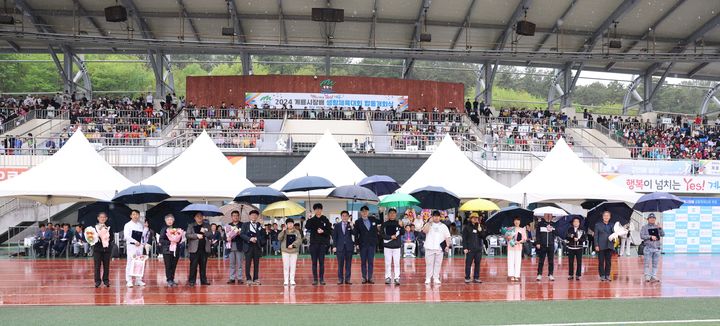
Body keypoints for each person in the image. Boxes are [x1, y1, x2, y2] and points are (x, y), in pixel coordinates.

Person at [305, 203, 332, 285]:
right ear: (314, 210)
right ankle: (315, 279)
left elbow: (329, 231)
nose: (318, 210)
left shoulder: (325, 219)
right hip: (313, 244)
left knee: (322, 262)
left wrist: (323, 231)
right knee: (314, 262)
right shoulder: (312, 219)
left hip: (322, 244)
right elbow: (307, 227)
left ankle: (322, 279)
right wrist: (309, 218)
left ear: (321, 210)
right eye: (316, 209)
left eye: (319, 209)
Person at [422, 210, 451, 285]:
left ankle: (436, 277)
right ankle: (428, 278)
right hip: (429, 247)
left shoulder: (443, 226)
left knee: (438, 263)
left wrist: (447, 246)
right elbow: (424, 231)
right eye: (434, 216)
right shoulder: (428, 224)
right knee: (429, 263)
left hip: (439, 248)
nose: (436, 218)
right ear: (432, 217)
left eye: (438, 216)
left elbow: (447, 236)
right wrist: (429, 222)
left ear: (440, 217)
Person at [353, 205, 380, 284]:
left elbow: (381, 221)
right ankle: (364, 277)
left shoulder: (373, 219)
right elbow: (356, 234)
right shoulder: (358, 222)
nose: (364, 212)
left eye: (366, 211)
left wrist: (381, 212)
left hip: (372, 244)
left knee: (371, 261)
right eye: (363, 211)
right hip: (362, 244)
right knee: (363, 261)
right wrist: (356, 244)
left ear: (368, 212)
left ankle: (370, 277)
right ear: (361, 213)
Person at [186, 212, 212, 286]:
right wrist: (196, 235)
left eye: (201, 216)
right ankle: (192, 281)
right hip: (194, 249)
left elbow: (210, 235)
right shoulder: (191, 225)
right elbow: (187, 235)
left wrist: (205, 232)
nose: (199, 217)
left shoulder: (207, 225)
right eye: (197, 216)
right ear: (195, 218)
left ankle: (203, 280)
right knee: (193, 266)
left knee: (203, 266)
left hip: (204, 249)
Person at [241, 210, 266, 285]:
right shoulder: (245, 224)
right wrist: (250, 239)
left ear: (257, 217)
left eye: (255, 215)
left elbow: (263, 235)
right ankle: (248, 278)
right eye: (252, 215)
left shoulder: (259, 225)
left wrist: (262, 226)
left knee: (256, 263)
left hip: (256, 246)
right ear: (249, 216)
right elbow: (242, 234)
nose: (254, 216)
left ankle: (256, 278)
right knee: (248, 263)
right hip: (248, 246)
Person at [640, 213, 665, 283]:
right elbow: (642, 236)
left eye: (653, 218)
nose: (652, 219)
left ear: (655, 219)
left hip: (657, 248)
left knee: (655, 263)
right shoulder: (644, 227)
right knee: (646, 263)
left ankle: (653, 276)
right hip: (648, 248)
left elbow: (663, 234)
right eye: (650, 218)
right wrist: (650, 237)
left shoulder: (657, 227)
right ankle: (647, 276)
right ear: (648, 219)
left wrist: (660, 228)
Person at [462, 213, 486, 283]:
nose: (475, 219)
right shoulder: (466, 227)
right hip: (470, 249)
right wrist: (465, 248)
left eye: (476, 218)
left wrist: (480, 230)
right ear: (470, 218)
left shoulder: (480, 226)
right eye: (473, 217)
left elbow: (483, 237)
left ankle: (476, 277)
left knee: (477, 263)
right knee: (468, 264)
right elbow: (464, 238)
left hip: (478, 249)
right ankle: (467, 277)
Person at [124, 210, 145, 288]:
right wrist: (134, 241)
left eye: (137, 214)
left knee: (139, 263)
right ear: (131, 216)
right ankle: (129, 280)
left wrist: (142, 243)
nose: (135, 216)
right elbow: (127, 236)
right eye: (134, 214)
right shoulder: (127, 225)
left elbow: (142, 235)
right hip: (131, 246)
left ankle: (138, 280)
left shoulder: (140, 225)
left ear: (139, 216)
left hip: (139, 246)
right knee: (130, 262)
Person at [158, 214, 181, 287]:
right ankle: (169, 280)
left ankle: (172, 279)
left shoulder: (176, 229)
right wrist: (170, 242)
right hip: (167, 250)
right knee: (168, 265)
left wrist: (177, 240)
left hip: (175, 250)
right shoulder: (164, 229)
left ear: (173, 221)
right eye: (168, 220)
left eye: (171, 219)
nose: (170, 221)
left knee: (174, 265)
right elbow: (161, 240)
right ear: (165, 221)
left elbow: (179, 239)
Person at [332, 211, 354, 285]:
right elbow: (334, 237)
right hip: (340, 247)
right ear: (341, 217)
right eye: (343, 216)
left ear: (348, 217)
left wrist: (352, 226)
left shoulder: (350, 225)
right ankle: (340, 279)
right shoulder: (337, 225)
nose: (344, 217)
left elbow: (354, 234)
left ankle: (347, 279)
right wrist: (334, 246)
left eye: (346, 216)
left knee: (348, 264)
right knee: (340, 264)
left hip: (349, 247)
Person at [381, 208, 403, 285]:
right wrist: (390, 237)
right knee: (387, 263)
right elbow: (382, 234)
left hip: (397, 246)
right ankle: (388, 277)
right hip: (387, 246)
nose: (392, 214)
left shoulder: (399, 223)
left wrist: (401, 226)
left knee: (397, 263)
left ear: (396, 214)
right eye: (390, 213)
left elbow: (402, 233)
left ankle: (397, 278)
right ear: (388, 214)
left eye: (394, 213)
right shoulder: (384, 224)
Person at [279, 218, 302, 286]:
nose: (290, 224)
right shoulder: (284, 231)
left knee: (293, 266)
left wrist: (293, 245)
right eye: (288, 223)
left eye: (291, 223)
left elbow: (299, 240)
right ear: (286, 224)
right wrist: (283, 231)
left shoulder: (297, 231)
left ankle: (292, 280)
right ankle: (286, 280)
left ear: (293, 224)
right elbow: (279, 238)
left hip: (294, 251)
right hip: (285, 251)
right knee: (286, 266)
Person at [535, 213, 558, 281]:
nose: (548, 216)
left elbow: (556, 233)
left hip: (551, 245)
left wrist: (552, 229)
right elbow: (537, 234)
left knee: (551, 261)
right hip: (542, 245)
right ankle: (539, 274)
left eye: (550, 215)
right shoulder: (540, 224)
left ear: (551, 216)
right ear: (544, 215)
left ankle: (550, 274)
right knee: (541, 260)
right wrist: (538, 243)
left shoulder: (553, 224)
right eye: (546, 214)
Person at [93, 213, 113, 288]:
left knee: (106, 266)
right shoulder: (94, 228)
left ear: (106, 218)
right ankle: (97, 281)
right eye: (101, 217)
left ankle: (106, 280)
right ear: (98, 218)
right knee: (97, 266)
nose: (102, 218)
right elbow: (91, 238)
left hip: (107, 249)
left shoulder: (109, 227)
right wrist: (97, 238)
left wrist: (107, 238)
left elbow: (112, 238)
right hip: (97, 249)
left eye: (104, 217)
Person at [594, 211, 614, 282]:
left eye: (608, 216)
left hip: (609, 245)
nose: (606, 217)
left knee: (608, 262)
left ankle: (607, 275)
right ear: (602, 217)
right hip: (601, 245)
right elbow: (596, 236)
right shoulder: (597, 225)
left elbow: (615, 234)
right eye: (605, 216)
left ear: (610, 217)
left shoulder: (613, 225)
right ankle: (602, 275)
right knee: (601, 261)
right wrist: (596, 245)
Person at [225, 210, 244, 284]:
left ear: (239, 216)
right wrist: (227, 238)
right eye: (234, 215)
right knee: (232, 263)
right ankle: (232, 278)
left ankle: (240, 278)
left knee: (239, 263)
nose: (235, 217)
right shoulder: (228, 225)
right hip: (230, 245)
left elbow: (245, 235)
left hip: (239, 245)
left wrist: (240, 233)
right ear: (231, 217)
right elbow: (224, 236)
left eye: (237, 215)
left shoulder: (242, 225)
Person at [507, 217, 527, 282]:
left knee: (518, 261)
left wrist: (519, 242)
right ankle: (511, 275)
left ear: (520, 222)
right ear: (513, 221)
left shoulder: (522, 229)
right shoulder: (510, 229)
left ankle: (516, 275)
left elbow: (524, 239)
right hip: (511, 247)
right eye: (515, 220)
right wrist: (508, 237)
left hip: (518, 247)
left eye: (518, 220)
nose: (517, 222)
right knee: (511, 261)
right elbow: (506, 237)